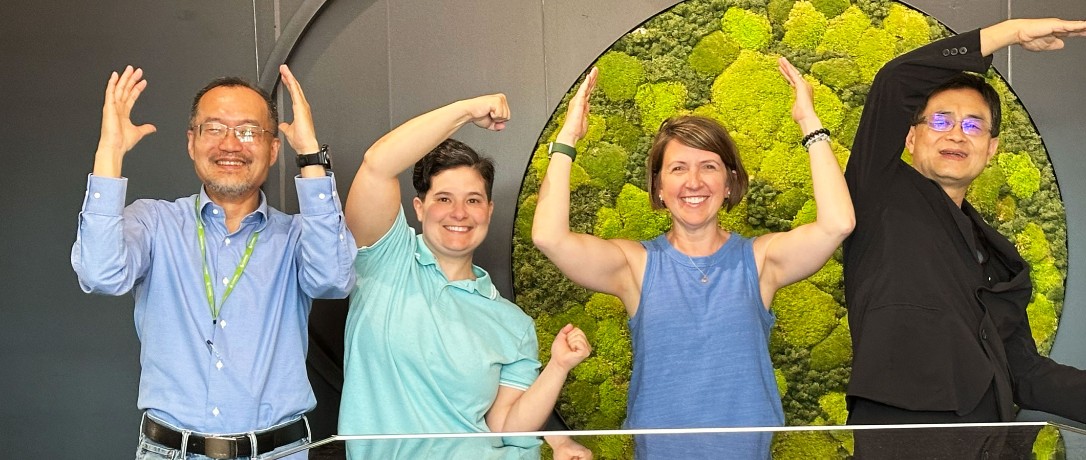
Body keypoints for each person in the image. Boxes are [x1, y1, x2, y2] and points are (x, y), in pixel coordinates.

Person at [841, 18, 1086, 429]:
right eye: (940, 121)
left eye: (974, 126)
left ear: (991, 149)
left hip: (989, 438)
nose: (957, 135)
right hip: (897, 432)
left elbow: (1025, 374)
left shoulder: (997, 257)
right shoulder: (878, 191)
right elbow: (896, 79)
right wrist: (1009, 32)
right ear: (910, 138)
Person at [532, 60, 854, 435]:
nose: (694, 182)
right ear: (658, 188)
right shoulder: (634, 265)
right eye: (678, 168)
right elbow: (548, 236)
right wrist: (569, 136)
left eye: (709, 167)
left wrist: (808, 121)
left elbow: (838, 223)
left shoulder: (761, 261)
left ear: (730, 183)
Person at [71, 64, 356, 459]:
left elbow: (334, 279)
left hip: (278, 453)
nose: (230, 145)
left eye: (248, 131)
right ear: (192, 142)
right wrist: (109, 155)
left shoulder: (297, 236)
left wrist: (310, 156)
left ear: (273, 149)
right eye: (215, 128)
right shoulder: (154, 223)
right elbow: (100, 274)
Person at [337, 94, 592, 460]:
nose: (459, 212)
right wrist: (467, 111)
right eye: (444, 199)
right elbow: (378, 164)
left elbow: (506, 427)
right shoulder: (384, 258)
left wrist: (558, 366)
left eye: (473, 200)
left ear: (488, 210)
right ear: (420, 207)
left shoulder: (513, 324)